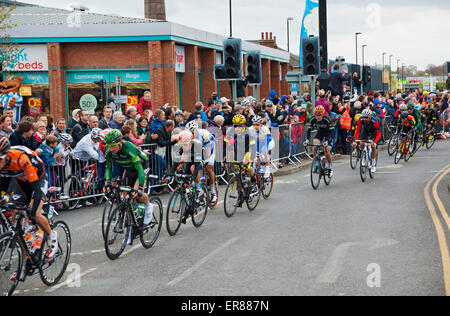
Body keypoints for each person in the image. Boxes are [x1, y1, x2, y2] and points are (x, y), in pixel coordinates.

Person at [0, 138, 58, 279]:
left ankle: (51, 236)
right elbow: (3, 185)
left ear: (6, 155)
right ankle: (25, 260)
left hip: (38, 178)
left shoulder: (21, 158)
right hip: (20, 180)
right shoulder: (4, 163)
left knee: (35, 214)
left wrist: (32, 214)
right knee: (15, 221)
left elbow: (36, 190)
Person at [104, 129, 153, 243]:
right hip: (128, 169)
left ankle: (148, 206)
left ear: (120, 142)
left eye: (113, 146)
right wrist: (107, 182)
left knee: (136, 193)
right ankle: (131, 230)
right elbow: (108, 167)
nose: (111, 149)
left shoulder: (129, 148)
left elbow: (140, 169)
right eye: (109, 146)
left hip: (141, 167)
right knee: (126, 199)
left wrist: (140, 188)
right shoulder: (109, 151)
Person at [186, 120, 217, 203]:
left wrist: (203, 161)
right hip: (199, 149)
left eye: (192, 132)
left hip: (209, 148)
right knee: (193, 168)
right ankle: (199, 190)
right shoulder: (188, 136)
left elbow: (207, 152)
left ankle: (213, 190)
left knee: (208, 168)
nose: (191, 134)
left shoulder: (205, 135)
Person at [304, 105, 335, 177]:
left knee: (326, 150)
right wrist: (307, 140)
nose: (317, 117)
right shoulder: (313, 119)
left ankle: (330, 165)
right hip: (320, 133)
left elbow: (332, 132)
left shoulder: (327, 119)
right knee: (315, 146)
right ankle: (316, 162)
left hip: (329, 134)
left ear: (323, 114)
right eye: (316, 115)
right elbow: (309, 130)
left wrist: (327, 141)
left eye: (319, 115)